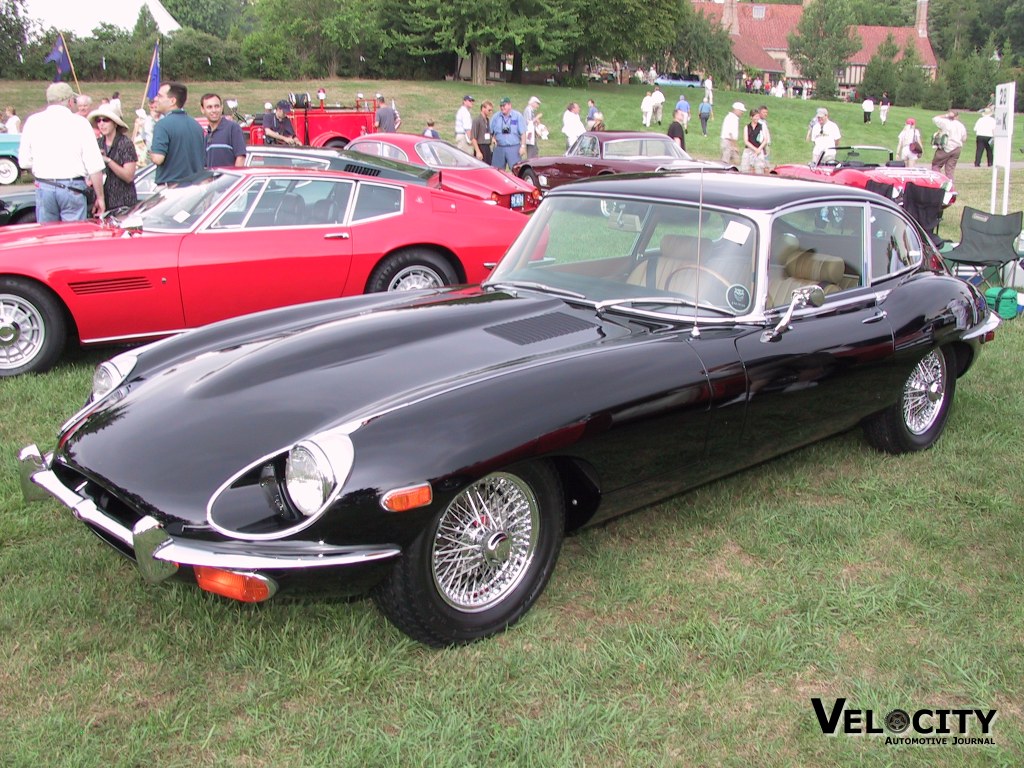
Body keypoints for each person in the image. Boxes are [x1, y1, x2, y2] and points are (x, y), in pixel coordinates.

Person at [18, 82, 105, 222]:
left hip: (44, 185)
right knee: (73, 237)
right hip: (72, 187)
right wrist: (100, 197)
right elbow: (94, 165)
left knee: (48, 236)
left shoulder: (33, 122)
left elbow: (24, 161)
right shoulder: (80, 123)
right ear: (70, 101)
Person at [150, 81, 205, 185]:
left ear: (172, 101)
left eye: (160, 96)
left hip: (171, 188)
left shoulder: (162, 125)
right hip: (195, 189)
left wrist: (149, 150)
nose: (156, 99)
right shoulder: (197, 126)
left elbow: (158, 159)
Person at [89, 103, 138, 210]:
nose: (101, 124)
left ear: (115, 123)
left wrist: (108, 161)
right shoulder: (98, 143)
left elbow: (128, 176)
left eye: (105, 120)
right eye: (98, 120)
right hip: (102, 201)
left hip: (123, 202)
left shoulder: (125, 143)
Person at [200, 92, 246, 168]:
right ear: (202, 110)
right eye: (209, 107)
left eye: (217, 106)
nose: (214, 110)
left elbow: (240, 158)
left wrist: (233, 179)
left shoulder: (233, 128)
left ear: (221, 108)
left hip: (230, 179)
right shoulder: (207, 136)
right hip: (214, 180)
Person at [489, 96, 527, 171]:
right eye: (501, 106)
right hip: (499, 148)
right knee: (497, 172)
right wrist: (492, 138)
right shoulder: (496, 117)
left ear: (510, 105)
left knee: (517, 171)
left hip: (514, 148)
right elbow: (490, 131)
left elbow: (523, 133)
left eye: (504, 105)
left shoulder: (517, 116)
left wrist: (523, 146)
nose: (502, 108)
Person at [931, 110, 967, 180]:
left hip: (946, 147)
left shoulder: (945, 123)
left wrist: (946, 115)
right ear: (957, 117)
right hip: (957, 148)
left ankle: (938, 182)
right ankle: (950, 186)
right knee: (950, 169)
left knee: (936, 165)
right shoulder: (961, 125)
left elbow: (935, 119)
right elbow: (964, 138)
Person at [740, 108, 768, 174]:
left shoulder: (761, 126)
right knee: (745, 169)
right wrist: (754, 149)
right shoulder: (747, 127)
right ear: (751, 117)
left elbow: (765, 139)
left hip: (759, 150)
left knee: (759, 169)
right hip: (749, 150)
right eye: (755, 116)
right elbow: (746, 141)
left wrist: (759, 149)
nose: (757, 118)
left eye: (758, 116)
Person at [471, 99, 494, 165]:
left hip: (487, 147)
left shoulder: (487, 120)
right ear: (483, 108)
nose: (490, 112)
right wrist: (478, 151)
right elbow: (473, 138)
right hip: (480, 147)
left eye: (491, 110)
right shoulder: (477, 120)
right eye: (489, 110)